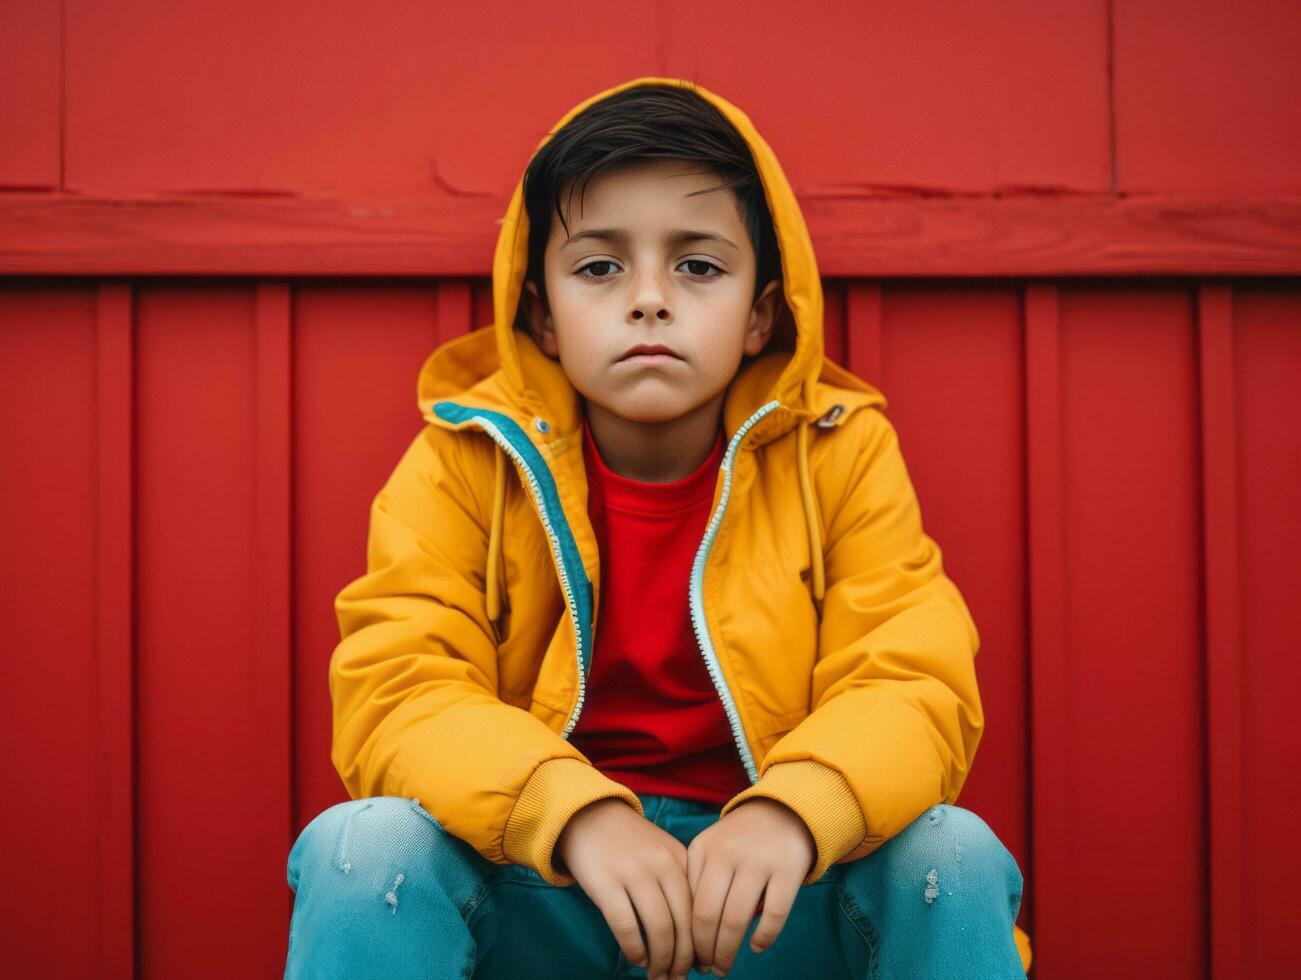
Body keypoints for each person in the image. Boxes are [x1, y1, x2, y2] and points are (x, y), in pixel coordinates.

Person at [284, 76, 1032, 979]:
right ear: (541, 318)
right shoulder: (465, 462)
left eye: (698, 266)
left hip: (765, 900)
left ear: (761, 315)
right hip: (550, 888)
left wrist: (795, 811)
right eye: (599, 267)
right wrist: (570, 815)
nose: (648, 299)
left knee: (950, 854)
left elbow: (913, 675)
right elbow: (399, 688)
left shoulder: (836, 453)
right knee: (362, 848)